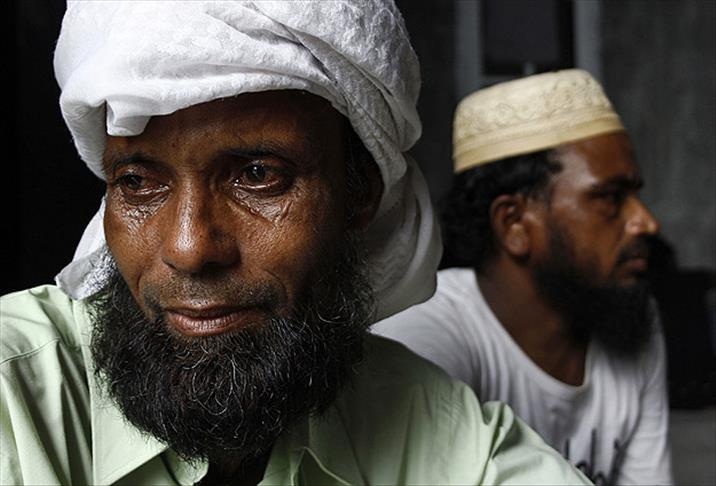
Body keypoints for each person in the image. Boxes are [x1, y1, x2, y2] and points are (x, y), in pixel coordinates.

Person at [0, 2, 590, 485]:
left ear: (359, 192)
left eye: (258, 175)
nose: (189, 248)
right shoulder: (15, 395)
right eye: (137, 183)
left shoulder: (433, 428)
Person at [374, 69, 673, 485]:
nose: (646, 221)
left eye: (636, 194)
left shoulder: (634, 318)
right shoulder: (423, 336)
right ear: (513, 223)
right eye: (610, 197)